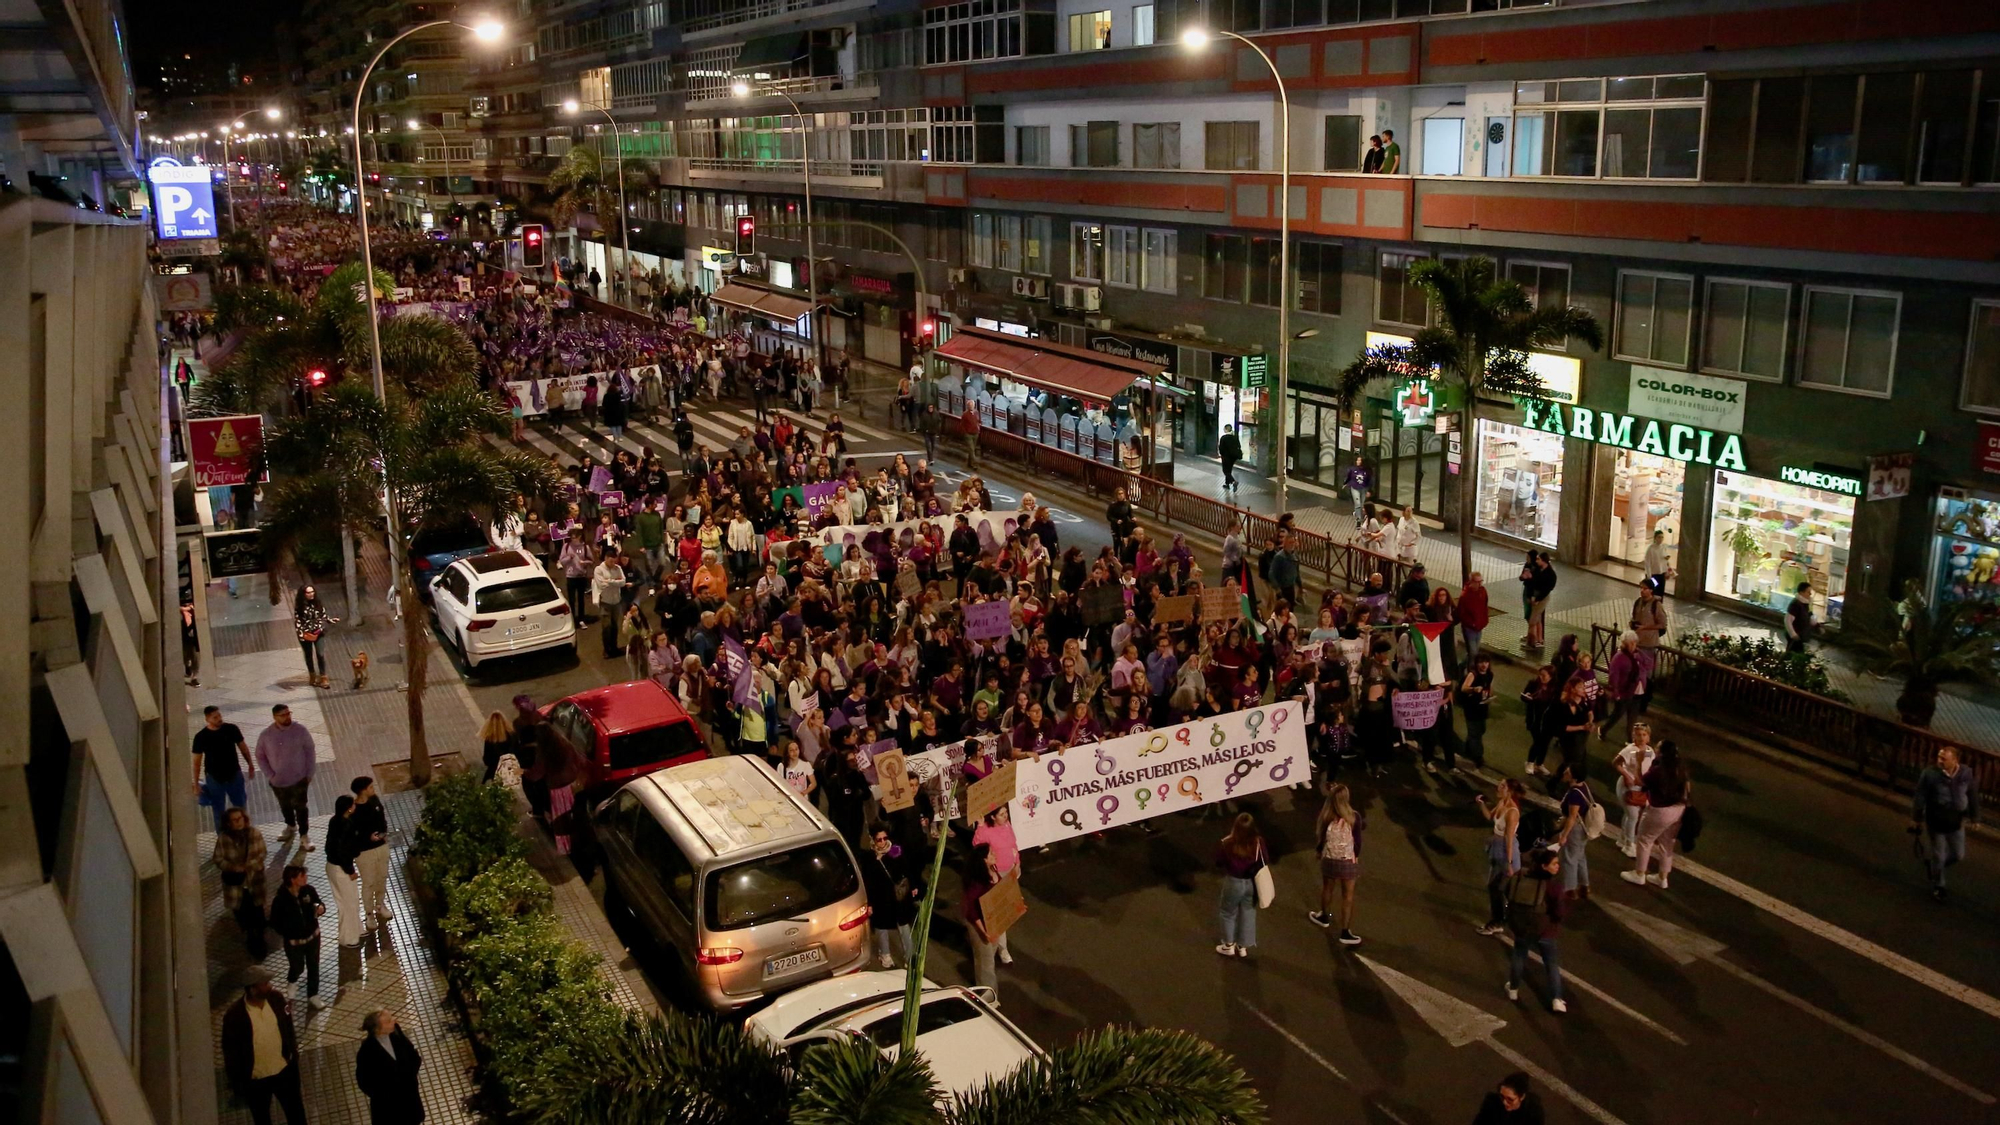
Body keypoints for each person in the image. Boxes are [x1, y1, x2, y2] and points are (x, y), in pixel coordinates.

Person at [222, 967, 307, 1125]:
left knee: (296, 1114)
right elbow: (231, 1053)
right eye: (265, 983)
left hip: (284, 1072)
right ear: (253, 989)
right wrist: (238, 1084)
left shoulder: (276, 999)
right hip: (257, 1080)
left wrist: (292, 1054)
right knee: (261, 1119)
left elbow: (288, 1028)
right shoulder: (235, 1016)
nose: (270, 986)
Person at [1912, 745, 1980, 901]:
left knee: (1958, 855)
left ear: (1955, 760)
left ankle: (1935, 867)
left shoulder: (1965, 774)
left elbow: (1972, 795)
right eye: (1939, 757)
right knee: (1939, 856)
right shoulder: (1930, 774)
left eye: (1944, 759)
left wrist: (1975, 817)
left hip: (1955, 821)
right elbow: (1920, 796)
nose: (1940, 761)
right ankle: (1939, 885)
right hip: (1936, 820)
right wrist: (1917, 818)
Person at [1505, 847, 1568, 1013]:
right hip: (1545, 930)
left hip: (1523, 925)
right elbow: (1559, 912)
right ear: (1544, 866)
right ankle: (1556, 999)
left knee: (1519, 955)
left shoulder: (1521, 876)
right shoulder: (1554, 887)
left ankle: (1513, 989)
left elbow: (1507, 891)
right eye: (1554, 864)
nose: (1557, 866)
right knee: (1551, 964)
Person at [1622, 738, 1690, 890]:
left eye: (1658, 748)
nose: (1655, 749)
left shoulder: (1659, 770)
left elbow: (1640, 781)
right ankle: (1662, 877)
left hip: (1660, 810)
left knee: (1644, 840)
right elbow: (1687, 787)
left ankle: (1639, 873)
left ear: (1662, 753)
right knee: (1667, 843)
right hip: (1678, 809)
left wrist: (1639, 762)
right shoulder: (1680, 767)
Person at [1310, 783, 1365, 946]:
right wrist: (1355, 855)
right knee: (1347, 896)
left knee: (1328, 888)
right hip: (1347, 860)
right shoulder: (1354, 816)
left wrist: (1319, 851)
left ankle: (1324, 916)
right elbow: (1358, 842)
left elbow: (1321, 839)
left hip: (1330, 859)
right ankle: (1345, 932)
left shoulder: (1326, 816)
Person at [257, 703, 317, 851]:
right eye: (283, 715)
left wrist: (309, 773)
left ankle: (304, 835)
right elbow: (260, 756)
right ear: (274, 717)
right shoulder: (266, 735)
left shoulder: (300, 730)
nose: (287, 717)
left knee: (301, 808)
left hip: (299, 779)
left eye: (288, 713)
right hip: (278, 781)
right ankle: (290, 826)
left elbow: (310, 750)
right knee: (285, 806)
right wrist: (270, 775)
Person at [268, 864, 326, 1010]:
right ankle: (292, 980)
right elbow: (275, 922)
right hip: (294, 942)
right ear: (292, 879)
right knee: (297, 966)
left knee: (313, 966)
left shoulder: (308, 891)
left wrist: (320, 908)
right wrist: (289, 932)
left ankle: (313, 995)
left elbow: (319, 902)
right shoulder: (281, 900)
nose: (306, 877)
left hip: (313, 937)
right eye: (302, 876)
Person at [215, 806, 270, 957]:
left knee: (257, 913)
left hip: (254, 882)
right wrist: (233, 867)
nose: (238, 822)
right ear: (228, 823)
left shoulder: (254, 833)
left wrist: (247, 866)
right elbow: (218, 859)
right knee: (242, 914)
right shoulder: (224, 838)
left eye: (240, 819)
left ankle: (259, 943)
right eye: (234, 820)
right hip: (236, 885)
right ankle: (250, 936)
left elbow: (262, 853)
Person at [354, 1009, 426, 1125]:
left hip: (409, 1098)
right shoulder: (367, 1052)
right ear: (378, 1030)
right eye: (388, 1021)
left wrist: (410, 1073)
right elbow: (364, 1081)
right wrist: (383, 1095)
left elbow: (411, 1052)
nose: (394, 1020)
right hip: (389, 1107)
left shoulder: (395, 1031)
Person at [861, 824, 919, 967]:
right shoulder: (870, 857)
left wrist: (913, 886)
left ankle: (910, 956)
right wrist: (869, 904)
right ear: (873, 840)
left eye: (885, 838)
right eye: (879, 839)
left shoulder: (895, 851)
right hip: (881, 897)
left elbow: (907, 869)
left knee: (903, 925)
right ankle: (885, 954)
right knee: (882, 927)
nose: (882, 842)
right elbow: (868, 880)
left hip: (897, 897)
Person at [193, 704, 255, 832]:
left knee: (241, 806)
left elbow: (243, 747)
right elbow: (196, 762)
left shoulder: (231, 729)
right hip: (214, 778)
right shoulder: (201, 737)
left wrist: (250, 764)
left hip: (234, 774)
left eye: (219, 715)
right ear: (207, 719)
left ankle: (244, 832)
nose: (219, 719)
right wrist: (196, 783)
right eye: (215, 717)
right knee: (218, 810)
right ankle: (223, 837)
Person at [972, 805, 1021, 965]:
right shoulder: (985, 830)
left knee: (1007, 910)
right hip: (997, 875)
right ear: (992, 817)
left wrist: (1017, 864)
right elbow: (977, 847)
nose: (1005, 816)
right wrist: (979, 826)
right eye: (1001, 814)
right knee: (999, 914)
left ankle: (999, 946)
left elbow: (1014, 846)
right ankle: (1002, 949)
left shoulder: (1007, 825)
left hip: (1010, 873)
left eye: (1006, 812)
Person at [1476, 779, 1525, 936]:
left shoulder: (1512, 812)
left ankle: (1498, 921)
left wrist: (1510, 863)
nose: (1499, 787)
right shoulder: (1502, 803)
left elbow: (1509, 839)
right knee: (1500, 889)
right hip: (1497, 849)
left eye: (1503, 786)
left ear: (1509, 791)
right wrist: (1481, 803)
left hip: (1506, 852)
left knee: (1496, 888)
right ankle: (1506, 917)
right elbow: (1490, 817)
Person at [1214, 812, 1265, 959]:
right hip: (1251, 883)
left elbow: (1218, 862)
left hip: (1234, 882)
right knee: (1248, 911)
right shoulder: (1258, 842)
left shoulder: (1228, 843)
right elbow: (1264, 860)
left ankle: (1228, 945)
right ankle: (1242, 947)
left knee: (1227, 912)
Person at [349, 776, 393, 927]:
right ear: (362, 791)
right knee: (369, 882)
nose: (373, 789)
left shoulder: (374, 800)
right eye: (370, 787)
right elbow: (352, 833)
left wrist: (382, 834)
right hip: (364, 852)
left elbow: (382, 819)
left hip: (381, 846)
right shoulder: (353, 809)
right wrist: (368, 837)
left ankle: (380, 905)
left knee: (382, 877)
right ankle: (369, 914)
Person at [961, 841, 1001, 999]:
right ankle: (988, 997)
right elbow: (971, 911)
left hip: (993, 921)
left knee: (990, 955)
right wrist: (983, 932)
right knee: (986, 963)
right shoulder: (977, 883)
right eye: (991, 853)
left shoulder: (993, 870)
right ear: (983, 860)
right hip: (981, 925)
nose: (994, 855)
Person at [1611, 721, 1656, 858]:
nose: (1641, 738)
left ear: (1648, 737)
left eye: (1644, 734)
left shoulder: (1649, 751)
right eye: (1638, 735)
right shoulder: (1630, 750)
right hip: (1627, 787)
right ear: (1633, 736)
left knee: (1630, 815)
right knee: (1633, 816)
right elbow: (1615, 763)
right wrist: (1626, 775)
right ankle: (1629, 844)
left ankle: (1623, 838)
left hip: (1640, 788)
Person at [325, 795, 363, 947]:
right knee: (348, 902)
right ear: (348, 808)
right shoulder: (345, 826)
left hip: (332, 866)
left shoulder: (335, 821)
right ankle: (349, 938)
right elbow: (343, 852)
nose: (355, 805)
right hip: (341, 869)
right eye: (353, 804)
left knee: (351, 899)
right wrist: (350, 870)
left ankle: (357, 929)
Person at [1554, 766, 1595, 900]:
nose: (1564, 773)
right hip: (1583, 828)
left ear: (1574, 777)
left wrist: (1564, 836)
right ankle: (1584, 885)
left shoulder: (1575, 794)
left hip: (1575, 829)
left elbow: (1572, 816)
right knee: (1580, 856)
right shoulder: (1583, 787)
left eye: (1568, 772)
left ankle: (1570, 889)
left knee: (1569, 858)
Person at [1605, 630, 1651, 742]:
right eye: (1631, 643)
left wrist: (1640, 655)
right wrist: (1615, 692)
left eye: (1635, 643)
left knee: (1632, 718)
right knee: (1617, 715)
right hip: (1625, 692)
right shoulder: (1619, 657)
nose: (1634, 645)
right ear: (1625, 644)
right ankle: (1603, 730)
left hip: (1637, 692)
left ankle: (1630, 740)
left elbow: (1649, 663)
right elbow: (1613, 676)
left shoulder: (1637, 654)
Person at [295, 585, 336, 689]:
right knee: (308, 655)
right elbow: (298, 622)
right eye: (308, 593)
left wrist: (330, 620)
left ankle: (323, 676)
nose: (311, 594)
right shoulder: (300, 607)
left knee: (320, 654)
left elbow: (322, 614)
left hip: (318, 632)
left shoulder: (317, 603)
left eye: (312, 592)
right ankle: (312, 675)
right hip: (306, 634)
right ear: (303, 595)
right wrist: (301, 635)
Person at [1459, 653, 1495, 767]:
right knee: (1475, 733)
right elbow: (1464, 688)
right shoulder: (1473, 674)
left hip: (1482, 706)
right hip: (1472, 707)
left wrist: (1490, 696)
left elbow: (1489, 687)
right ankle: (1478, 756)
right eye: (1481, 662)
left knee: (1481, 729)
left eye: (1486, 662)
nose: (1483, 665)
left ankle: (1468, 748)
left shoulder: (1489, 675)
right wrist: (1474, 689)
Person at [1473, 1073, 1546, 1125]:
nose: (1504, 1102)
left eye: (1510, 1099)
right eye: (1502, 1096)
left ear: (1522, 1097)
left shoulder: (1533, 1114)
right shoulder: (1491, 1102)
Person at [1458, 571, 1489, 665]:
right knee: (1473, 653)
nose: (1479, 584)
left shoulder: (1482, 591)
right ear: (1471, 581)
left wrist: (1484, 620)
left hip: (1479, 626)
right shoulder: (1465, 596)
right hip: (1469, 628)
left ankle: (1462, 668)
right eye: (1477, 582)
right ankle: (1471, 672)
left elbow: (1485, 606)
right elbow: (1461, 613)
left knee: (1473, 652)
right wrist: (1471, 623)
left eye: (1481, 581)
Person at [1630, 581, 1668, 651]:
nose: (1642, 590)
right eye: (1641, 588)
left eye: (1645, 588)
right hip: (1637, 640)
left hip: (1649, 643)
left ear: (1651, 590)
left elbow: (1663, 624)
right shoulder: (1638, 602)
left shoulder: (1656, 604)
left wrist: (1645, 627)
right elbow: (1634, 616)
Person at [479, 711, 514, 782]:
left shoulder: (489, 739)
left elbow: (487, 759)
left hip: (493, 768)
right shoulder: (511, 735)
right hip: (507, 768)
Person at [1784, 581, 1816, 652]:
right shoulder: (1795, 604)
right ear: (1802, 593)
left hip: (1801, 635)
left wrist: (1816, 625)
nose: (1810, 594)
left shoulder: (1806, 604)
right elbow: (1788, 620)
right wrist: (1793, 634)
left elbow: (1809, 615)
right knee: (1793, 653)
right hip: (1796, 636)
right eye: (1808, 592)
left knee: (1795, 653)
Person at [1642, 530, 1674, 594]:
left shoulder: (1663, 547)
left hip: (1661, 574)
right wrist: (1649, 575)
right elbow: (1647, 563)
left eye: (1662, 537)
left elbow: (1666, 561)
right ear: (1655, 538)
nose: (1660, 539)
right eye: (1659, 537)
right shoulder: (1651, 549)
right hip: (1653, 574)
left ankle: (1659, 603)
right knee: (1654, 591)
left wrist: (1668, 571)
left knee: (1660, 592)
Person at [1218, 426, 1243, 492]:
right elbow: (1239, 446)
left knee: (1225, 471)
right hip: (1233, 457)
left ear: (1226, 429)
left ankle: (1233, 482)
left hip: (1226, 457)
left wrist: (1222, 454)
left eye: (1224, 429)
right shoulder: (1235, 437)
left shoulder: (1223, 438)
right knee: (1229, 470)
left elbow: (1221, 448)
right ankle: (1227, 484)